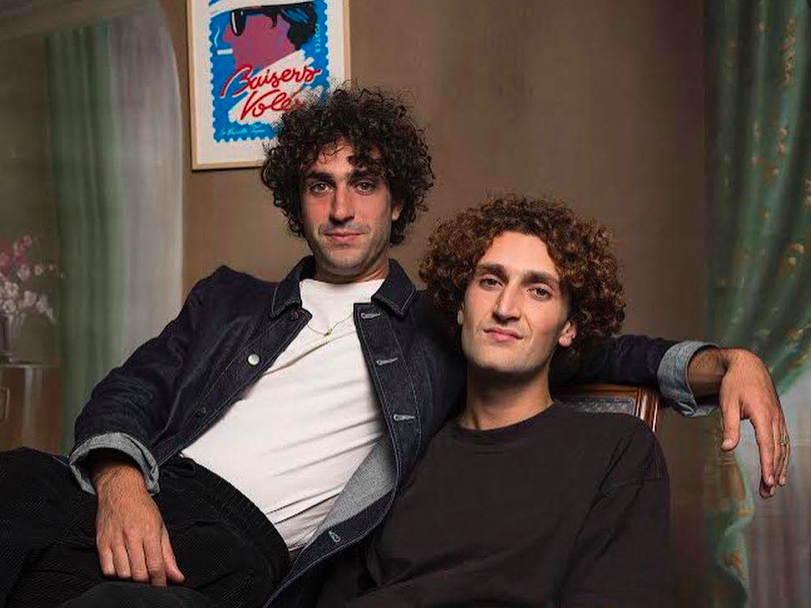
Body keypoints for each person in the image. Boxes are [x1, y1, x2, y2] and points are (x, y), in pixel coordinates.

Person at [0, 87, 788, 608]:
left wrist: (725, 363)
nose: (342, 208)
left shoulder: (444, 326)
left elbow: (588, 344)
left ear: (398, 201)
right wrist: (120, 484)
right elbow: (129, 392)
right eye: (320, 185)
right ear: (296, 202)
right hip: (134, 486)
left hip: (228, 545)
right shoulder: (227, 300)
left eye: (365, 183)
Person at [315, 196, 677, 608]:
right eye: (490, 282)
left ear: (569, 327)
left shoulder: (615, 449)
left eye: (538, 291)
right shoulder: (404, 452)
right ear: (460, 307)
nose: (506, 308)